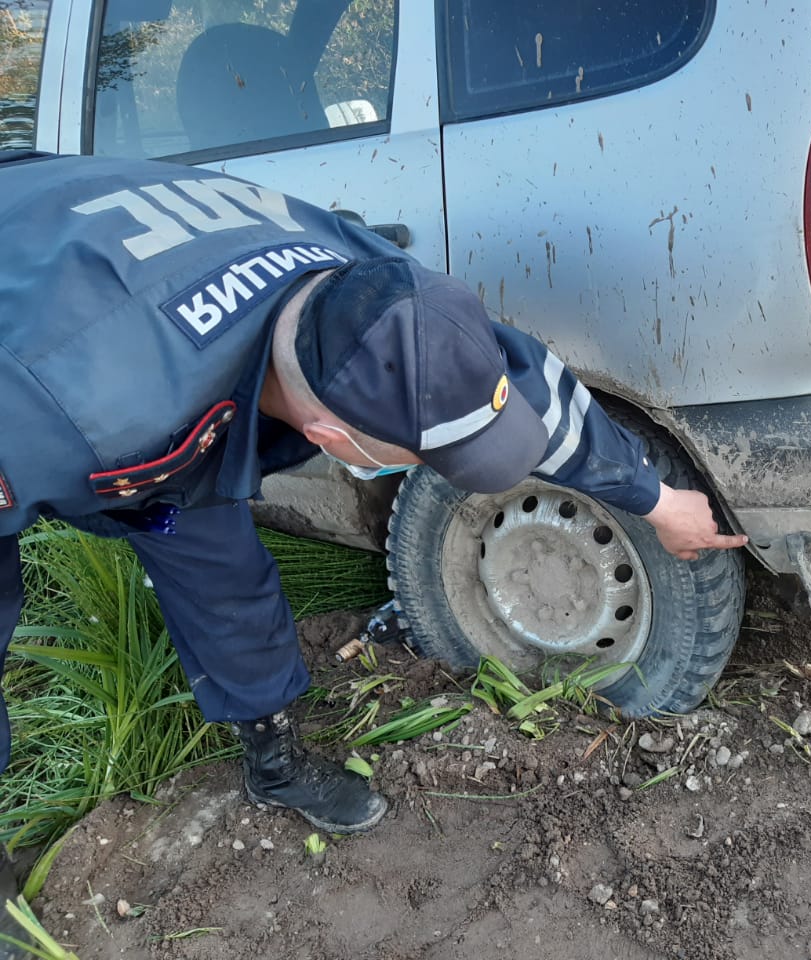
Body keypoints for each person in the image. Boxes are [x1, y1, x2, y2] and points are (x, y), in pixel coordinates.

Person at [0, 150, 747, 850]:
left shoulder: (381, 291)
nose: (442, 472)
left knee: (227, 575)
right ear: (330, 434)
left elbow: (527, 392)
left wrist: (654, 500)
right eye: (423, 456)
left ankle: (275, 762)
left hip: (143, 366)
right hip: (41, 353)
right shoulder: (64, 412)